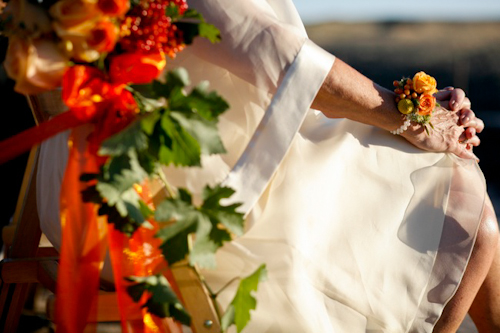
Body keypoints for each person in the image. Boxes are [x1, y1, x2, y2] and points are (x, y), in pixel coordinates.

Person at [36, 0, 499, 332]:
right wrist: (408, 115)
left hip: (165, 163)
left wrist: (415, 109)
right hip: (173, 195)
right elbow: (277, 54)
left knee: (458, 198)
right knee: (466, 212)